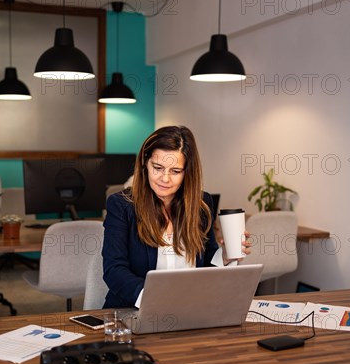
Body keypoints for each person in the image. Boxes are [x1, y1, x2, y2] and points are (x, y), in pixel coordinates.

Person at [102, 126, 251, 309]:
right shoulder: (122, 206)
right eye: (158, 168)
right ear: (145, 165)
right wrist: (153, 300)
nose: (165, 179)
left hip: (189, 309)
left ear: (187, 172)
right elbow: (114, 270)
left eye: (175, 171)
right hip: (133, 311)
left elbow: (207, 261)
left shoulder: (201, 203)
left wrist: (226, 255)